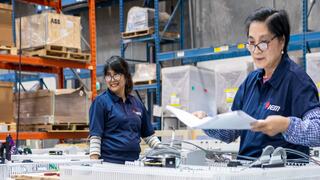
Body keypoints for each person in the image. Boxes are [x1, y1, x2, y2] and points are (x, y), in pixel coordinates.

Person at [194, 7, 320, 159]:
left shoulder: (297, 81)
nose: (256, 50)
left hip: (282, 172)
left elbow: (317, 131)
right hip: (247, 169)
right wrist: (206, 122)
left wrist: (287, 125)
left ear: (281, 41)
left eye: (264, 42)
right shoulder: (251, 82)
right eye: (251, 43)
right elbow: (230, 131)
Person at [89, 56, 161, 164]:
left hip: (134, 163)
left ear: (126, 76)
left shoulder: (136, 103)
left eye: (116, 75)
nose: (112, 80)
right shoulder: (101, 102)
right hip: (110, 164)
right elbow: (95, 137)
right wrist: (94, 166)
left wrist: (165, 151)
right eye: (108, 76)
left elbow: (149, 136)